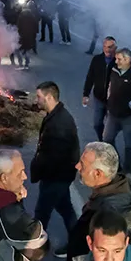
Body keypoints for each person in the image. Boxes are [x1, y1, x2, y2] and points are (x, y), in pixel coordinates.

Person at [30, 81, 80, 247]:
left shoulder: (59, 124)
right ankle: (76, 241)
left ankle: (35, 245)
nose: (36, 100)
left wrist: (39, 170)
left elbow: (53, 157)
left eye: (39, 97)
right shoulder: (56, 117)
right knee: (65, 208)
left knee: (41, 212)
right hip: (60, 176)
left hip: (55, 177)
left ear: (50, 97)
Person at [103, 48, 131, 174]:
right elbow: (110, 86)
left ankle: (127, 170)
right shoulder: (114, 70)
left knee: (129, 144)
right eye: (116, 59)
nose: (116, 61)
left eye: (119, 59)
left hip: (129, 116)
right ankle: (116, 163)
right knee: (107, 139)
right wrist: (109, 99)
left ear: (128, 59)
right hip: (113, 113)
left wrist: (129, 105)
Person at [82, 36, 117, 140]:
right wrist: (85, 94)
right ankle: (102, 140)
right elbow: (90, 77)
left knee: (111, 127)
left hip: (113, 100)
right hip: (99, 98)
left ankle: (108, 142)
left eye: (110, 47)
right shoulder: (97, 59)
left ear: (115, 48)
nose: (107, 49)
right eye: (105, 46)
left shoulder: (118, 62)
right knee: (97, 124)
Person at [13, 5, 39, 70]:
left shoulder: (21, 17)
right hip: (30, 37)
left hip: (22, 36)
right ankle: (27, 64)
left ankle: (20, 64)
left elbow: (18, 27)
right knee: (27, 50)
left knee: (17, 49)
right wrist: (34, 35)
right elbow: (36, 27)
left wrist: (18, 34)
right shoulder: (33, 17)